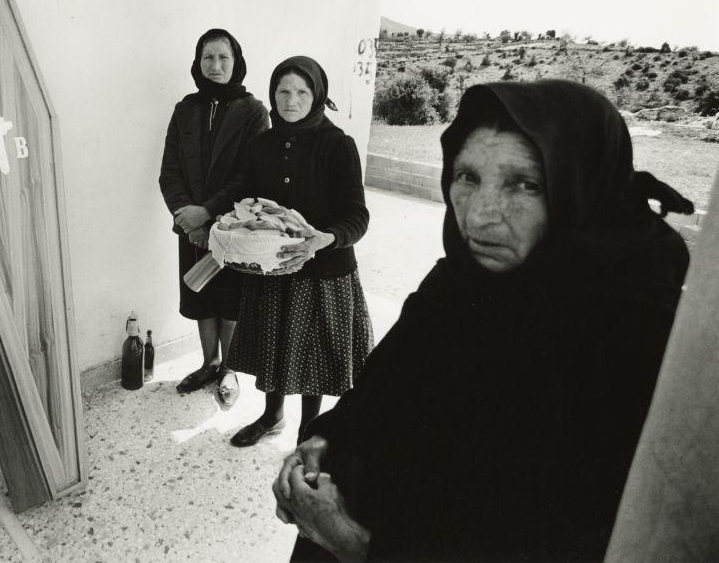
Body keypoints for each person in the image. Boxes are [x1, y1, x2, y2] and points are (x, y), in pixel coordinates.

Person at [271, 79, 695, 562]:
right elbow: (379, 389)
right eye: (468, 177)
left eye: (525, 184)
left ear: (581, 188)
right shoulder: (456, 284)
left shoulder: (627, 336)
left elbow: (568, 538)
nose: (479, 217)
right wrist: (326, 437)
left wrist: (356, 544)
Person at [226, 55, 373, 447]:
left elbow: (357, 215)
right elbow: (248, 199)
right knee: (273, 347)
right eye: (283, 91)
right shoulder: (260, 145)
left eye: (302, 92)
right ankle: (272, 416)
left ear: (317, 95)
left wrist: (325, 238)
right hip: (273, 269)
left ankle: (308, 432)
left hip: (322, 272)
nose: (291, 100)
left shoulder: (338, 145)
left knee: (313, 355)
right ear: (273, 94)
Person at [159, 28, 269, 407]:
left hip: (231, 229)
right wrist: (189, 219)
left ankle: (230, 370)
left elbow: (251, 176)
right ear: (198, 62)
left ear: (236, 61)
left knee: (231, 303)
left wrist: (208, 216)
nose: (216, 65)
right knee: (200, 297)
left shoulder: (253, 111)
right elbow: (169, 172)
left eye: (223, 57)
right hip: (191, 229)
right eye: (208, 57)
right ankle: (209, 363)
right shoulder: (185, 109)